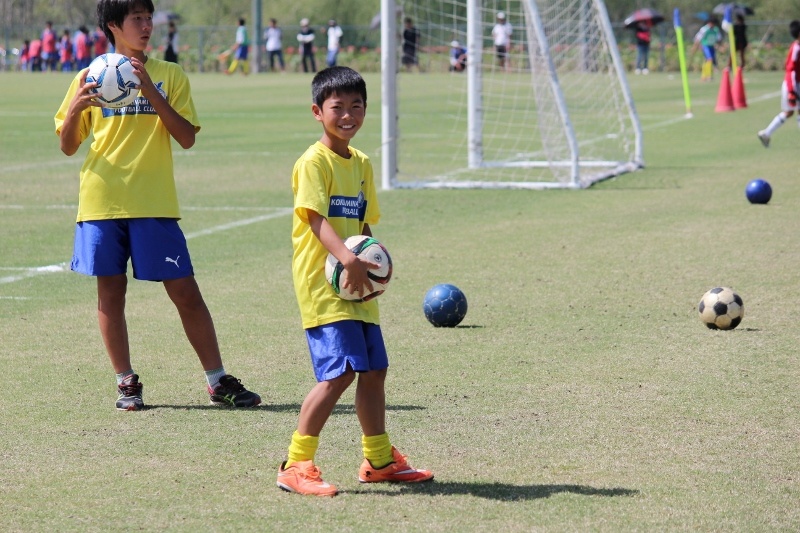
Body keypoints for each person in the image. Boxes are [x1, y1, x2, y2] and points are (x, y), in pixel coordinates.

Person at [53, 0, 261, 411]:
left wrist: (150, 90)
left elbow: (186, 137)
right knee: (110, 293)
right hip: (102, 200)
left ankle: (217, 380)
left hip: (154, 201)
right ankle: (126, 382)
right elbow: (68, 145)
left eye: (149, 18)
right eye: (137, 19)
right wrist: (75, 108)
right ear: (114, 25)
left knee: (185, 290)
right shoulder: (89, 75)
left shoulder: (170, 74)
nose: (147, 25)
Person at [276, 66, 434, 496]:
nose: (348, 115)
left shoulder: (362, 163)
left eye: (356, 106)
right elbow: (315, 218)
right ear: (317, 111)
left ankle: (379, 460)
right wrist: (347, 259)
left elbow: (363, 226)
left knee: (375, 369)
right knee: (340, 372)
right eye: (337, 107)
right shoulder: (313, 162)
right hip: (323, 283)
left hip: (357, 281)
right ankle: (296, 463)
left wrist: (373, 263)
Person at [757, 20, 800, 148]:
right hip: (793, 85)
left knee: (789, 112)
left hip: (792, 84)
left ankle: (766, 133)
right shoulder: (796, 48)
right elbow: (791, 70)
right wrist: (792, 91)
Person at [692, 17, 722, 82]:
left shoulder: (716, 29)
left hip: (712, 46)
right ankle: (709, 76)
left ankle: (704, 76)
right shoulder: (704, 29)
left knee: (707, 61)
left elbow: (719, 38)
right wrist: (695, 47)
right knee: (709, 59)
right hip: (706, 46)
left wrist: (719, 46)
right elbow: (698, 38)